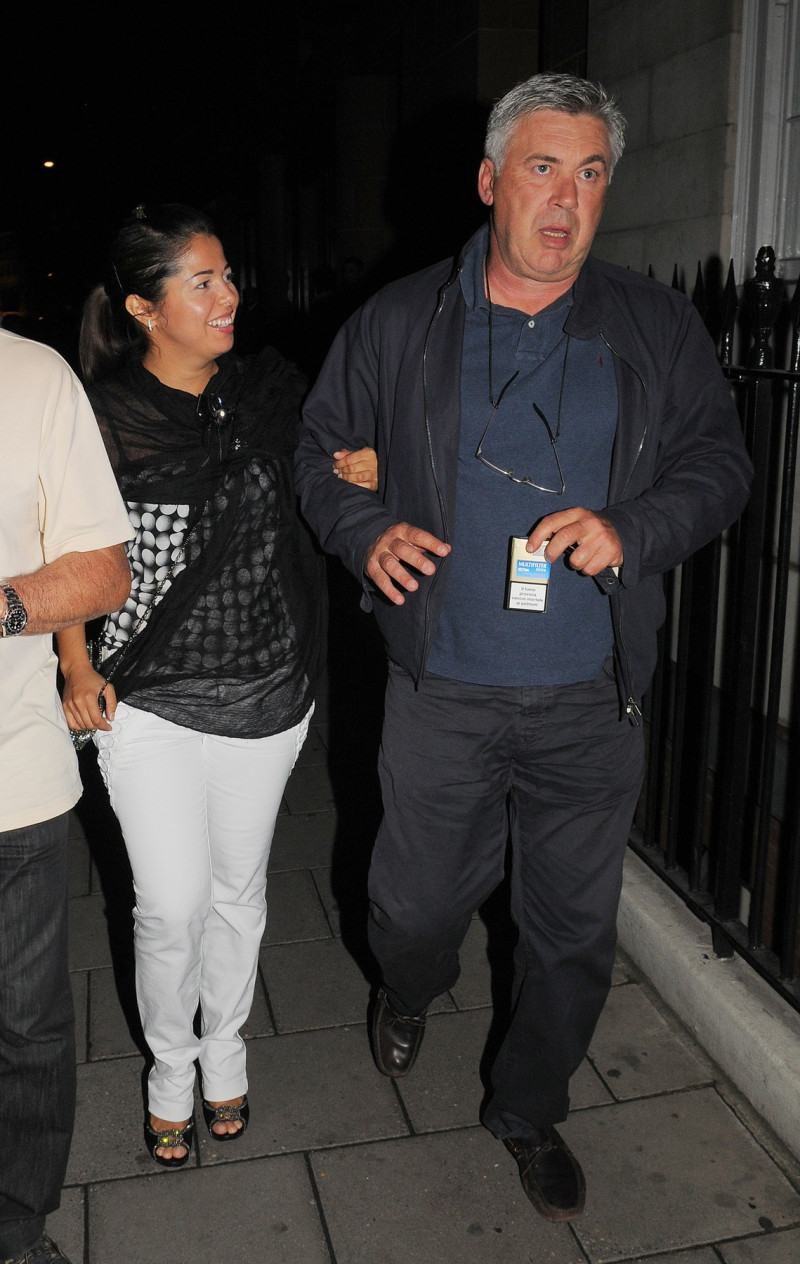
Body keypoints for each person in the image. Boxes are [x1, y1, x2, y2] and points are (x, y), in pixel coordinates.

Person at [294, 73, 753, 1222]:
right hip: (440, 685)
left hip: (588, 699)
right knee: (409, 907)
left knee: (568, 931)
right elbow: (317, 451)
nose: (567, 198)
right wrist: (361, 526)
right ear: (492, 181)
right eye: (543, 168)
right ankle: (409, 986)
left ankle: (528, 1107)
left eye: (591, 173)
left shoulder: (650, 325)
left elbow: (720, 464)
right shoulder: (401, 321)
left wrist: (630, 527)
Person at [57, 204, 376, 1168]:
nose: (229, 294)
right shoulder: (101, 415)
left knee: (240, 892)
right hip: (146, 698)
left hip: (268, 693)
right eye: (203, 281)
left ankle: (226, 1049)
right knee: (169, 902)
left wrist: (350, 465)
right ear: (147, 309)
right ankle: (169, 1067)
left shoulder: (271, 390)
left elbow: (322, 472)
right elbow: (69, 545)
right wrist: (74, 662)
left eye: (228, 274)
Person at [0, 328, 132, 1264]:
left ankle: (15, 1223)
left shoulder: (32, 378)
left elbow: (101, 569)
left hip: (12, 782)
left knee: (26, 1026)